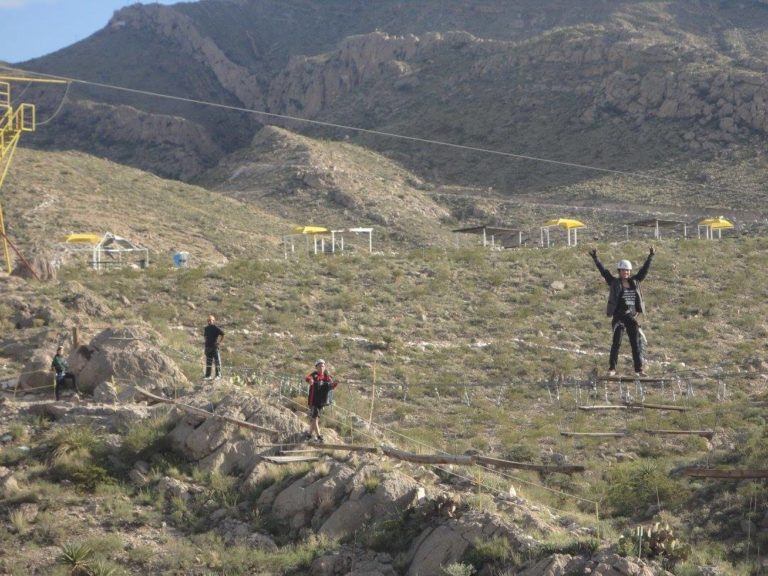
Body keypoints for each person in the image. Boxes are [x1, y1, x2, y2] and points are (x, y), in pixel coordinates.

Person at [589, 246, 655, 376]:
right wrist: (596, 259)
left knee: (635, 344)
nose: (626, 273)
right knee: (616, 343)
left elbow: (644, 271)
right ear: (619, 271)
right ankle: (612, 369)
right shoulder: (614, 283)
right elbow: (604, 272)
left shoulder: (635, 282)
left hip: (631, 317)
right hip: (619, 316)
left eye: (628, 271)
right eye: (624, 271)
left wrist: (650, 257)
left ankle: (638, 369)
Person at [304, 359, 337, 443]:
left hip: (322, 401)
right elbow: (307, 378)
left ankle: (309, 436)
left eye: (323, 365)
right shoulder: (314, 375)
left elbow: (331, 386)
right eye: (320, 365)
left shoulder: (327, 376)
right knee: (315, 418)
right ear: (316, 367)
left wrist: (336, 383)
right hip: (313, 400)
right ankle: (319, 437)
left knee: (316, 419)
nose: (322, 367)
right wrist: (310, 381)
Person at [203, 314, 224, 380]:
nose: (209, 321)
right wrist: (206, 344)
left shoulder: (215, 328)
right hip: (208, 347)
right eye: (208, 320)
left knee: (217, 361)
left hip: (214, 347)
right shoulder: (206, 328)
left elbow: (223, 334)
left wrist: (219, 342)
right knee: (209, 362)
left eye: (211, 320)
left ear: (213, 321)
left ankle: (218, 375)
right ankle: (208, 376)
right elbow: (205, 337)